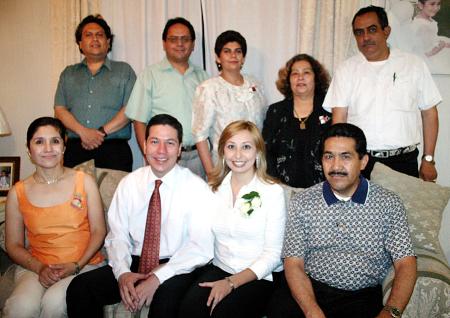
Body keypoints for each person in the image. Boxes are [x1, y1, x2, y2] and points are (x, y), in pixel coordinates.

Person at [66, 114, 214, 318]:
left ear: (179, 149)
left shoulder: (197, 189)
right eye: (154, 142)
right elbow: (117, 236)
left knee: (165, 304)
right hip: (135, 261)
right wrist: (123, 273)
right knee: (80, 287)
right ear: (144, 145)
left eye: (170, 143)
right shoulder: (129, 184)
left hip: (176, 266)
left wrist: (158, 277)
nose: (161, 151)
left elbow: (201, 247)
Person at [267, 123, 417, 318]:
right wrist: (312, 311)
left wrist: (391, 311)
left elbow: (405, 262)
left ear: (363, 161)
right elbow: (293, 262)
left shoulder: (388, 203)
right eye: (329, 156)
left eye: (345, 157)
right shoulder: (303, 202)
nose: (336, 166)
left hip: (360, 297)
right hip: (308, 290)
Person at [179, 120, 286, 318]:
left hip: (258, 276)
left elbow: (273, 254)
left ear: (258, 152)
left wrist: (231, 283)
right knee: (188, 311)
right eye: (231, 147)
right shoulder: (214, 189)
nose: (238, 155)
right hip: (220, 268)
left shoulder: (272, 192)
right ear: (222, 152)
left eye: (246, 147)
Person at [323, 5, 442, 181]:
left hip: (403, 162)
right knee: (358, 209)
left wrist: (429, 159)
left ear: (386, 31)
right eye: (359, 32)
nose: (365, 37)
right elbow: (339, 121)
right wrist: (338, 162)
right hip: (360, 162)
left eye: (372, 30)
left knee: (402, 209)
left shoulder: (413, 65)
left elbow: (429, 113)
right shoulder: (346, 69)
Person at [3, 117, 106, 318]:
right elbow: (13, 244)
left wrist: (76, 265)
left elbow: (99, 231)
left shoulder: (84, 182)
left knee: (55, 305)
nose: (48, 148)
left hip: (84, 264)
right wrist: (39, 267)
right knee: (19, 308)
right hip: (36, 268)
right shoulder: (17, 192)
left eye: (55, 141)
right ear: (28, 149)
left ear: (64, 146)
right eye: (39, 141)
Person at [125, 17, 208, 177]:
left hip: (199, 157)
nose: (180, 44)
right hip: (163, 156)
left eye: (185, 39)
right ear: (164, 43)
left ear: (193, 44)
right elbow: (139, 121)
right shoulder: (150, 75)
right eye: (173, 39)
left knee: (195, 201)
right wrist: (149, 156)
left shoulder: (203, 76)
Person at [54, 15, 136, 172]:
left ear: (108, 42)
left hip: (114, 151)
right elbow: (59, 109)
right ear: (80, 43)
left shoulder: (124, 71)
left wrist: (101, 133)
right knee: (76, 196)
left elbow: (131, 108)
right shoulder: (68, 74)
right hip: (75, 149)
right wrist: (83, 132)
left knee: (113, 197)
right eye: (88, 35)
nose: (95, 39)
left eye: (100, 35)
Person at [192, 31, 267, 178]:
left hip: (255, 164)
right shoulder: (208, 89)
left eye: (238, 51)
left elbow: (263, 124)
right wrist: (212, 174)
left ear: (243, 58)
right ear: (218, 57)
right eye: (227, 51)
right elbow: (200, 136)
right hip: (224, 166)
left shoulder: (255, 84)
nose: (233, 56)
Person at [263, 54, 331, 188]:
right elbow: (266, 151)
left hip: (323, 190)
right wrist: (275, 185)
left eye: (306, 72)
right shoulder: (275, 111)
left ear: (316, 78)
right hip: (282, 189)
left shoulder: (330, 110)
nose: (300, 77)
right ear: (288, 80)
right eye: (295, 74)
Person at [410, 0, 450, 74]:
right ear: (421, 5)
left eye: (438, 4)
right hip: (427, 59)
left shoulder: (427, 20)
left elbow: (432, 39)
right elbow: (427, 53)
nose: (436, 7)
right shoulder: (422, 26)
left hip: (432, 48)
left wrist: (445, 44)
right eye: (432, 4)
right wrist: (441, 46)